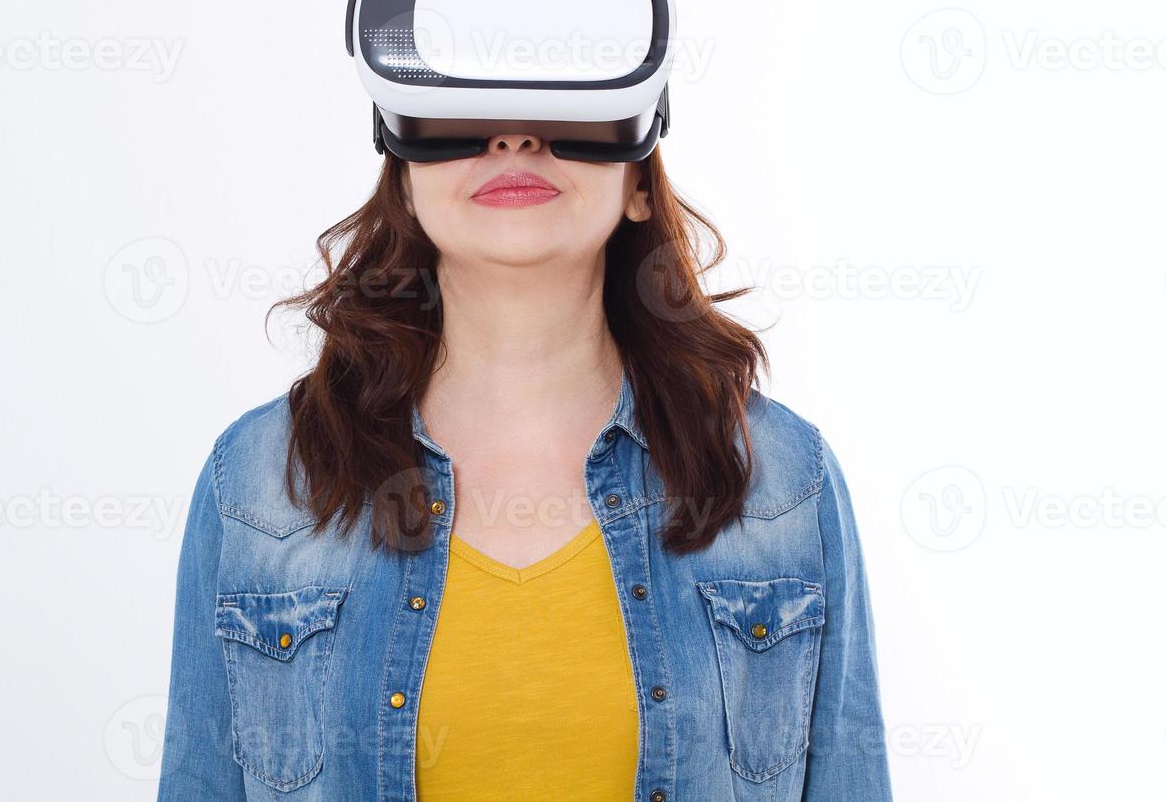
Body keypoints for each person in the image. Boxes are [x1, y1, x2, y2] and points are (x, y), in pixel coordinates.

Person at [155, 125, 893, 801]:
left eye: (565, 111)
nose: (514, 138)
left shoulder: (782, 479)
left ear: (640, 183)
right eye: (461, 118)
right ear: (404, 178)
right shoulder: (260, 481)